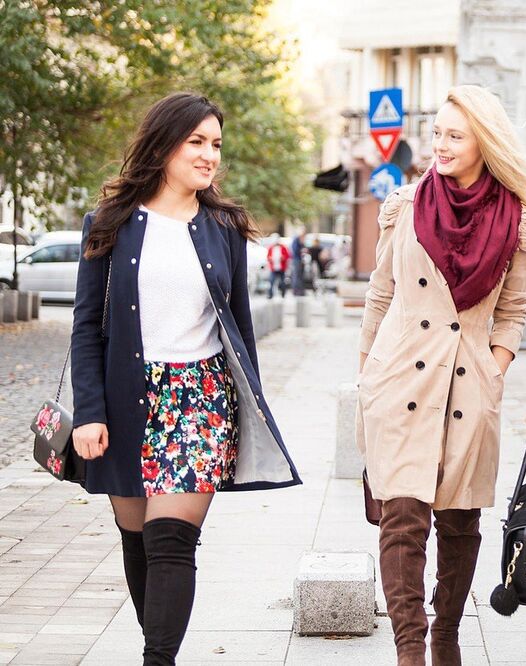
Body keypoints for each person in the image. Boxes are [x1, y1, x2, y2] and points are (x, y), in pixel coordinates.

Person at [70, 92, 301, 665]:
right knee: (137, 540)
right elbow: (86, 325)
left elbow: (240, 326)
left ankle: (158, 660)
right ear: (163, 145)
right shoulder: (111, 223)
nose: (209, 155)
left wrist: (250, 413)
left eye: (216, 144)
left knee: (172, 540)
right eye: (196, 142)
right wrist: (89, 411)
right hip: (127, 398)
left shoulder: (224, 227)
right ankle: (159, 646)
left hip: (200, 399)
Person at [358, 84, 526, 666]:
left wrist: (494, 370)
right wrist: (367, 377)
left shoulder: (516, 220)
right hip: (400, 380)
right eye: (437, 132)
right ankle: (410, 650)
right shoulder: (406, 205)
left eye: (455, 135)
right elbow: (380, 294)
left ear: (485, 142)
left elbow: (514, 311)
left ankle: (447, 636)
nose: (440, 144)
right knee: (402, 519)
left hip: (468, 383)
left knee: (460, 523)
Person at [266, 234, 290, 298]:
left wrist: (283, 258)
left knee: (282, 282)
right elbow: (268, 257)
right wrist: (270, 259)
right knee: (271, 281)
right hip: (273, 268)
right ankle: (270, 295)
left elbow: (287, 256)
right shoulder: (271, 248)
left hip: (281, 268)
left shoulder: (283, 247)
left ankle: (283, 294)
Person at [290, 230, 306, 295]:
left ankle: (300, 291)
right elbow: (295, 251)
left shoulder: (300, 241)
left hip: (300, 260)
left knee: (299, 276)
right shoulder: (296, 240)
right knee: (296, 275)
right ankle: (296, 291)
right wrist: (302, 250)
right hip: (296, 260)